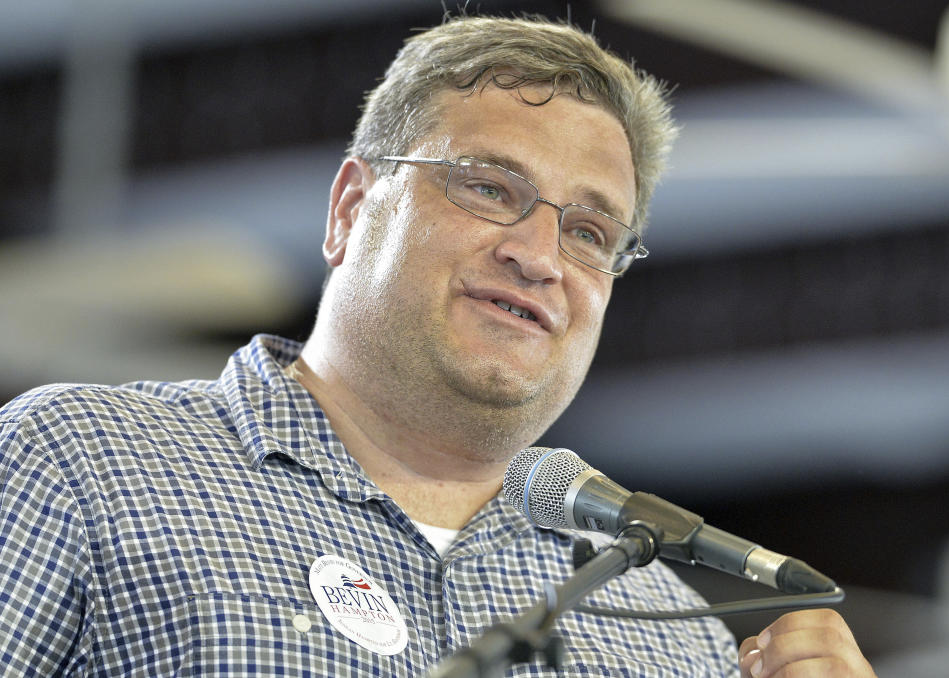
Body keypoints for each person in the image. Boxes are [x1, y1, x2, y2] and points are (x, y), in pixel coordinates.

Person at [0, 14, 876, 678]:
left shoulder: (667, 634)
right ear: (349, 210)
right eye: (491, 188)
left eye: (590, 232)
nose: (537, 257)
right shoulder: (80, 464)